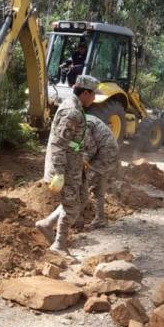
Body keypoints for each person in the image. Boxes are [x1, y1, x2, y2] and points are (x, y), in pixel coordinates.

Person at [35, 74, 100, 256]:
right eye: (93, 94)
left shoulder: (76, 109)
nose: (94, 99)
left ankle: (47, 224)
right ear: (85, 93)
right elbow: (58, 143)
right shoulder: (72, 111)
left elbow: (72, 142)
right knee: (71, 207)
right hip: (65, 168)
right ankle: (59, 245)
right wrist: (59, 172)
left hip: (74, 166)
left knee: (82, 199)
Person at [79, 114, 120, 228]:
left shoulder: (85, 125)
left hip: (104, 156)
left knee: (83, 185)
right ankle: (100, 219)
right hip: (109, 154)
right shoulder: (85, 118)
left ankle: (76, 219)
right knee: (98, 189)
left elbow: (90, 149)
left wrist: (81, 164)